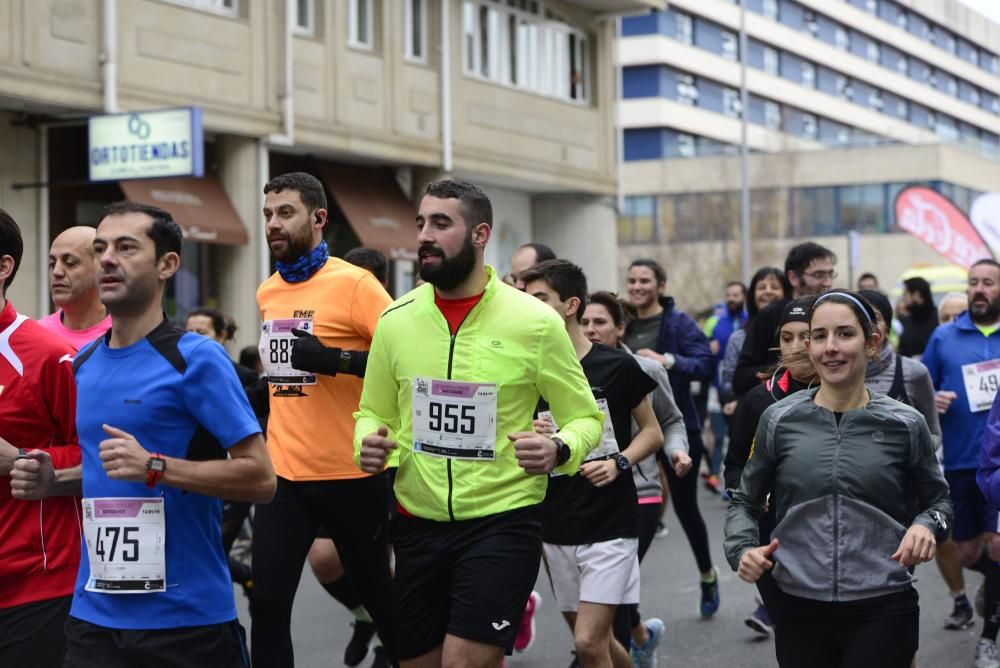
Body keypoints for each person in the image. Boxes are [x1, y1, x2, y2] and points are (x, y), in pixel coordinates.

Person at [13, 201, 276, 667]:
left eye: (126, 248)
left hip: (185, 621)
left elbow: (261, 478)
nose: (108, 258)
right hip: (93, 617)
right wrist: (55, 481)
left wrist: (156, 466)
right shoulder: (85, 364)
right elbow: (106, 472)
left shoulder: (195, 359)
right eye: (100, 248)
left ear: (166, 265)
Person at [355, 179, 603, 668]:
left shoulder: (534, 322)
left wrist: (559, 450)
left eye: (441, 223)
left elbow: (584, 418)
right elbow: (373, 411)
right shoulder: (395, 320)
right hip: (415, 523)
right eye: (421, 223)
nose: (425, 234)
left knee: (464, 663)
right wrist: (367, 440)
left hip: (501, 521)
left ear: (479, 234)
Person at [725, 291, 953, 668]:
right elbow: (745, 501)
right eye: (819, 336)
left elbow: (939, 502)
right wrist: (742, 549)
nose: (830, 348)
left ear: (872, 342)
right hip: (798, 604)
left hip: (883, 603)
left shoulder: (905, 423)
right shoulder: (779, 420)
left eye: (845, 334)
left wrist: (927, 526)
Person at [253, 172, 396, 667]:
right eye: (268, 213)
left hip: (352, 473)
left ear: (318, 219)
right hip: (284, 475)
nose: (273, 223)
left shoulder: (356, 284)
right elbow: (286, 376)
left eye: (285, 212)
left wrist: (335, 360)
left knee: (382, 598)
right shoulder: (268, 291)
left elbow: (406, 361)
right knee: (267, 604)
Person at [521, 260, 663, 668]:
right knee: (596, 643)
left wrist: (619, 462)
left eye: (539, 299)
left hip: (609, 519)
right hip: (553, 519)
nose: (529, 307)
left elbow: (652, 432)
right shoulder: (527, 369)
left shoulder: (615, 366)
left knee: (586, 643)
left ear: (570, 305)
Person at [583, 290, 692, 668]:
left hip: (640, 489)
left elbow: (671, 420)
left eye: (600, 322)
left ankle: (605, 653)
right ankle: (642, 636)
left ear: (620, 328)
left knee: (611, 594)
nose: (591, 330)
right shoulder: (568, 369)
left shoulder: (646, 370)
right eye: (585, 322)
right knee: (603, 593)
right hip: (584, 494)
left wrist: (677, 451)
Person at [0, 210, 81, 668]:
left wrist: (21, 459)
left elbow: (102, 457)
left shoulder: (50, 356)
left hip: (35, 586)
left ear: (3, 267)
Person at [306, 245, 393, 668]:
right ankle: (363, 616)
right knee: (324, 558)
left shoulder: (391, 315)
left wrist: (331, 358)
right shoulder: (320, 308)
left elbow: (397, 362)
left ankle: (390, 644)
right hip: (330, 454)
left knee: (383, 566)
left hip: (389, 454)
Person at [623, 258, 720, 619]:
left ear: (660, 285)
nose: (637, 286)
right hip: (633, 431)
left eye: (644, 280)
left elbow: (704, 364)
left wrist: (668, 360)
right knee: (632, 512)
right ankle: (619, 603)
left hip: (677, 425)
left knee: (685, 507)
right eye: (632, 280)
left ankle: (707, 574)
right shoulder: (624, 322)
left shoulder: (678, 322)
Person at [921, 259, 1000, 668]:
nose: (979, 289)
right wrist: (932, 399)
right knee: (967, 552)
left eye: (988, 282)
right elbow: (921, 389)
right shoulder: (944, 336)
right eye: (973, 283)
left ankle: (988, 638)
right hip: (962, 459)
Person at [723, 297, 816, 640]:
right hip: (772, 540)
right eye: (786, 338)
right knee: (794, 638)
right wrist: (750, 493)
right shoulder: (760, 399)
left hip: (828, 542)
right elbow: (733, 467)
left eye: (805, 336)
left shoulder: (848, 396)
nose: (795, 347)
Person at [732, 242, 836, 395]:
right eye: (818, 275)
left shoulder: (837, 313)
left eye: (830, 274)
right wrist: (789, 368)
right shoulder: (770, 315)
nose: (827, 282)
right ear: (793, 277)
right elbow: (741, 378)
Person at [719, 267, 791, 408]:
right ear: (752, 295)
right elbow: (728, 384)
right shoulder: (738, 338)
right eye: (761, 287)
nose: (768, 291)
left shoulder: (793, 333)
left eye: (775, 287)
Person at [37, 226, 112, 350]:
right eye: (52, 264)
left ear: (100, 267)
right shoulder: (37, 334)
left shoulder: (126, 335)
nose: (57, 272)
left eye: (70, 262)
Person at [704, 281, 747, 493]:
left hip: (741, 391)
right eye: (729, 294)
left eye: (736, 295)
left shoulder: (750, 322)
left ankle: (736, 482)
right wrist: (708, 349)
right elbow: (703, 350)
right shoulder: (714, 322)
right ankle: (715, 476)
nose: (732, 298)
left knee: (738, 435)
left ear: (744, 297)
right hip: (716, 387)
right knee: (719, 434)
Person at [185, 307, 259, 387]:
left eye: (202, 332)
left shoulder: (243, 377)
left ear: (221, 336)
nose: (193, 337)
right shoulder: (176, 370)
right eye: (189, 332)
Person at [898, 277, 939, 359]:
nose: (902, 298)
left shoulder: (939, 319)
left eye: (905, 294)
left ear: (916, 295)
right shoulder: (904, 321)